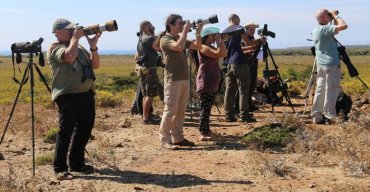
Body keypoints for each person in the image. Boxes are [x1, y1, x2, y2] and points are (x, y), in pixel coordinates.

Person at [47, 18, 102, 180]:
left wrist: (93, 46)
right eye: (69, 30)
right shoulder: (54, 48)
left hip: (86, 93)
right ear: (58, 32)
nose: (73, 32)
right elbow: (69, 57)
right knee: (66, 131)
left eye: (73, 30)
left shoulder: (79, 46)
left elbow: (95, 65)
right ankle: (60, 168)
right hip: (68, 95)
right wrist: (76, 38)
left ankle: (77, 163)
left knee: (85, 129)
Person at [159, 14, 202, 149]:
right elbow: (177, 47)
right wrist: (185, 31)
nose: (182, 25)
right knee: (170, 110)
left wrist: (198, 32)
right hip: (173, 80)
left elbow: (198, 46)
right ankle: (165, 140)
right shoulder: (165, 39)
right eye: (179, 23)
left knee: (181, 111)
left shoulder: (180, 37)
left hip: (184, 79)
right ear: (170, 25)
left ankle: (178, 137)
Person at [311, 9, 348, 125]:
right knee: (331, 90)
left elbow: (335, 30)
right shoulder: (325, 29)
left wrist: (331, 18)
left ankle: (316, 116)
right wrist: (337, 16)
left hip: (321, 65)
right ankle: (330, 115)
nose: (330, 16)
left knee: (320, 90)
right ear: (323, 17)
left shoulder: (317, 29)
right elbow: (344, 26)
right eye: (328, 15)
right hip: (331, 65)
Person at [192, 27, 227, 140]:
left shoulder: (210, 46)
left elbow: (223, 53)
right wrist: (220, 41)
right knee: (205, 108)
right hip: (206, 81)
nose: (214, 37)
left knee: (207, 107)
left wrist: (220, 42)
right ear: (206, 37)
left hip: (211, 81)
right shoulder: (202, 47)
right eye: (212, 35)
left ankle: (206, 130)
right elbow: (217, 54)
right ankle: (203, 132)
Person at [222, 14, 257, 123]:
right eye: (239, 20)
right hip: (240, 62)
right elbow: (250, 42)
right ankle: (244, 115)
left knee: (229, 90)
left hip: (229, 63)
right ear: (235, 19)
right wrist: (259, 40)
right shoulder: (239, 28)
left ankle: (228, 115)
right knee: (243, 89)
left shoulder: (224, 31)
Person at [135, 20, 163, 124]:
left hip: (143, 70)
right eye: (151, 25)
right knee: (150, 95)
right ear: (147, 27)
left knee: (145, 94)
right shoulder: (150, 38)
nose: (153, 27)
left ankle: (145, 116)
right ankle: (146, 118)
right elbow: (160, 48)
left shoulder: (141, 39)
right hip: (150, 70)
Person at [242, 22, 260, 111]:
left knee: (252, 84)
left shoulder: (252, 38)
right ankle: (245, 106)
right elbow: (241, 51)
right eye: (251, 29)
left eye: (254, 29)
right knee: (246, 85)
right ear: (246, 30)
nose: (252, 31)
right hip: (246, 63)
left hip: (253, 62)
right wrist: (251, 51)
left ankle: (249, 104)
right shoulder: (243, 39)